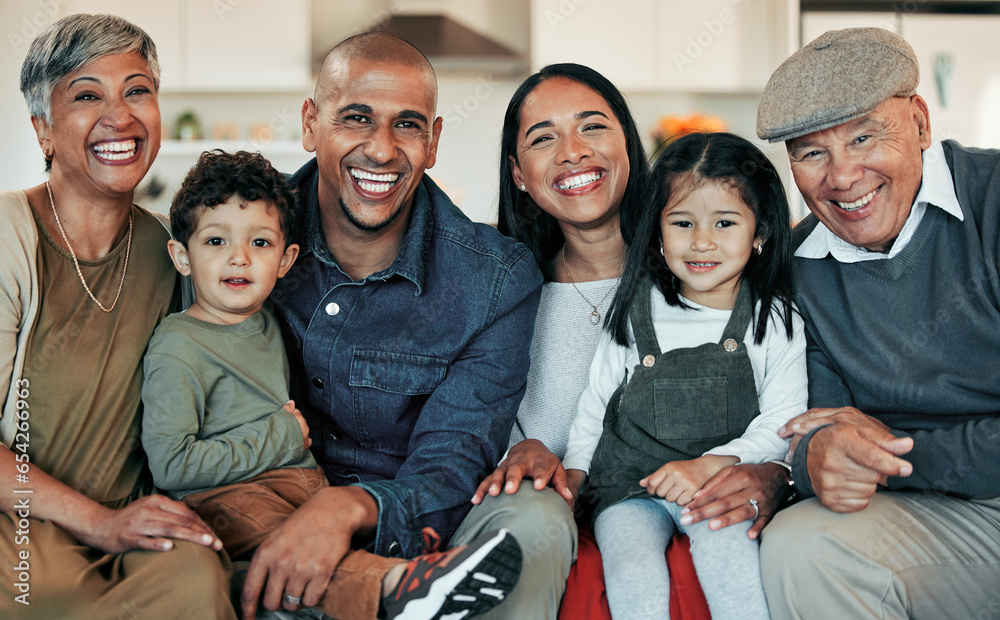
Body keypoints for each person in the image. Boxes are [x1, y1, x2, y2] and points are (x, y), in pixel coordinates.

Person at [475, 63, 794, 619]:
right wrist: (528, 453)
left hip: (711, 497)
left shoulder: (719, 280)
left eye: (592, 127)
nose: (572, 151)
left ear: (629, 143)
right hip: (610, 501)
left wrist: (767, 470)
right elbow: (501, 435)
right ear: (518, 173)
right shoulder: (503, 292)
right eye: (544, 138)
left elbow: (789, 409)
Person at [241, 32, 539, 620]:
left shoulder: (495, 280)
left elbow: (453, 460)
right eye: (356, 117)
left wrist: (346, 508)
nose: (380, 150)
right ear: (310, 122)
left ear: (433, 142)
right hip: (251, 513)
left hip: (405, 528)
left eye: (407, 125)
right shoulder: (233, 241)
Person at [755, 27, 1000, 619]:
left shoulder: (992, 201)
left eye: (863, 136)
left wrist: (887, 454)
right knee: (801, 545)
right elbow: (813, 425)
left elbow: (872, 451)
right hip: (944, 512)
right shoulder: (794, 267)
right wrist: (818, 457)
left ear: (918, 122)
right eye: (812, 153)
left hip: (922, 477)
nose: (841, 178)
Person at [0, 14, 235, 619]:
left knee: (197, 573)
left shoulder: (177, 252)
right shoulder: (7, 237)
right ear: (43, 131)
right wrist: (100, 523)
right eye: (87, 95)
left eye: (138, 90)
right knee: (46, 596)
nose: (121, 116)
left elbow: (212, 370)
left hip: (134, 519)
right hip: (21, 520)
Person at [561, 131, 806, 619]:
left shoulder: (773, 319)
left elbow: (785, 419)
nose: (702, 241)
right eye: (682, 222)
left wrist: (711, 464)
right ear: (657, 231)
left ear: (760, 234)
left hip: (720, 487)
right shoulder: (634, 311)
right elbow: (595, 403)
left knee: (731, 563)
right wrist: (573, 478)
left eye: (725, 222)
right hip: (630, 487)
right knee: (632, 572)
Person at [140, 149, 311, 559]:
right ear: (183, 257)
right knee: (298, 554)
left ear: (285, 260)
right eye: (216, 240)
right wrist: (282, 436)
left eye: (260, 242)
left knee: (337, 531)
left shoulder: (270, 319)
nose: (240, 257)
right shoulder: (177, 346)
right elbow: (172, 465)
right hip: (225, 498)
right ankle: (394, 584)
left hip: (298, 482)